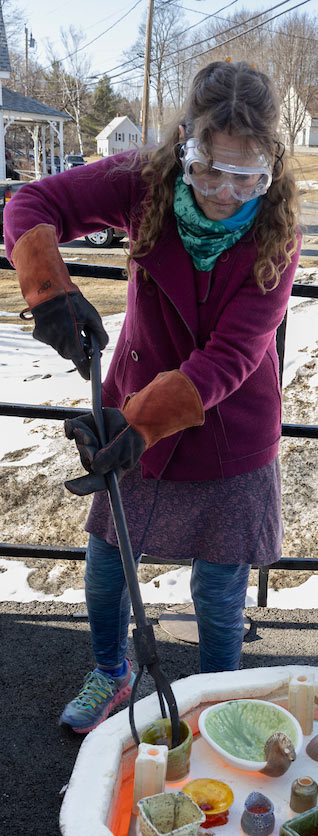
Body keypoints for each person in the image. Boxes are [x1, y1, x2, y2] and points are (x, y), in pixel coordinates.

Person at [5, 60, 301, 733]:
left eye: (246, 176)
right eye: (208, 169)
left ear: (272, 166)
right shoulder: (145, 184)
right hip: (133, 410)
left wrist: (141, 424)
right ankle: (112, 671)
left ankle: (218, 704)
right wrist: (48, 288)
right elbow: (31, 205)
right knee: (108, 567)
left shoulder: (277, 234)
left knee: (220, 594)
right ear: (182, 146)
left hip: (229, 430)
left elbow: (232, 355)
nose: (225, 193)